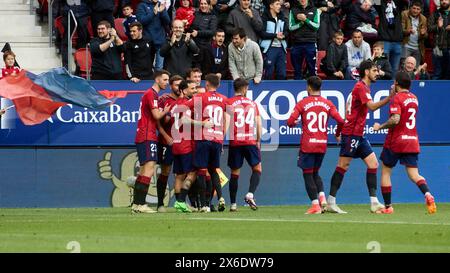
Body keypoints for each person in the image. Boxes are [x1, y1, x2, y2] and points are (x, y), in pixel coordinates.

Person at [327, 60, 393, 214]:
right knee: (343, 165)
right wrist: (390, 98)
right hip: (351, 134)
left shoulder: (362, 88)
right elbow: (371, 107)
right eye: (374, 70)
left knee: (373, 164)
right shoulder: (360, 87)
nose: (377, 73)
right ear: (366, 72)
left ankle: (374, 202)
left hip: (358, 134)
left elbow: (348, 111)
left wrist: (338, 132)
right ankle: (331, 201)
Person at [373, 72, 437, 214]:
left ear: (397, 83)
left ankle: (388, 207)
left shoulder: (397, 98)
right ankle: (427, 194)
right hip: (412, 141)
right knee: (414, 174)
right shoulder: (414, 98)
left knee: (386, 172)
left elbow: (395, 119)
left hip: (396, 141)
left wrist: (380, 126)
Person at [287, 76, 344, 214]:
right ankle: (322, 198)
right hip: (322, 144)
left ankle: (315, 205)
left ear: (309, 87)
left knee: (307, 174)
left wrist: (294, 123)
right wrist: (337, 134)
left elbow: (289, 122)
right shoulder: (328, 103)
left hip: (308, 144)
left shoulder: (302, 103)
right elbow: (341, 121)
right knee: (315, 173)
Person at [185, 73, 228, 212]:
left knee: (202, 171)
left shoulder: (199, 97)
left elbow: (183, 113)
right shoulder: (224, 99)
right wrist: (222, 137)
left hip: (204, 138)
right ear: (219, 85)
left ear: (207, 84)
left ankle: (204, 205)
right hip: (217, 139)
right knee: (214, 170)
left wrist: (200, 122)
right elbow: (228, 119)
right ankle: (221, 198)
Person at [131, 70, 172, 214]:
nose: (167, 82)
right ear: (157, 79)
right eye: (165, 79)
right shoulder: (152, 94)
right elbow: (155, 115)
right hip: (147, 135)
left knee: (144, 170)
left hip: (143, 134)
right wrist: (165, 110)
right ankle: (141, 204)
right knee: (149, 169)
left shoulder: (150, 94)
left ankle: (136, 204)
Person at [226, 78, 262, 211]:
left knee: (235, 173)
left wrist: (221, 139)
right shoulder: (252, 104)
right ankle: (250, 194)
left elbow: (226, 122)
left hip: (235, 141)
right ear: (244, 89)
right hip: (250, 141)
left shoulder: (229, 102)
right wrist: (258, 140)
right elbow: (258, 124)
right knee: (257, 169)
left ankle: (233, 204)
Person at [155, 75, 184, 212]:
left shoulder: (186, 100)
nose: (178, 88)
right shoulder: (164, 99)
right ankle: (160, 203)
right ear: (171, 86)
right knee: (165, 171)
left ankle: (180, 202)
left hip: (182, 142)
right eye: (176, 85)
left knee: (181, 173)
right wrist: (166, 137)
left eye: (180, 85)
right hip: (167, 142)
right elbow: (158, 122)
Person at [172, 80, 201, 213]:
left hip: (176, 144)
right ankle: (181, 201)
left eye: (195, 88)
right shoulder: (186, 105)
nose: (194, 90)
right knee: (193, 172)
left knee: (179, 175)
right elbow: (186, 121)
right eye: (192, 88)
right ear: (184, 90)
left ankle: (180, 205)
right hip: (185, 144)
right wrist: (203, 123)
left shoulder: (175, 104)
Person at [288, 0, 320, 79]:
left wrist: (305, 19)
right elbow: (290, 27)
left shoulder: (315, 10)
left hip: (310, 43)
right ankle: (296, 88)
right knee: (297, 70)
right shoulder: (293, 10)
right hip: (297, 43)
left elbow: (316, 26)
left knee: (312, 70)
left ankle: (313, 88)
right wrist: (301, 23)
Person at [136, 0, 171, 71]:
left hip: (160, 41)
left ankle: (158, 81)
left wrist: (162, 12)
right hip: (147, 42)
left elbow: (167, 21)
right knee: (147, 68)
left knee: (159, 68)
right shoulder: (142, 5)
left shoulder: (160, 5)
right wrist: (153, 13)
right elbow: (141, 21)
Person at [260, 0, 288, 80]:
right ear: (271, 6)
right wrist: (275, 36)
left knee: (282, 74)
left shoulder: (282, 17)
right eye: (277, 4)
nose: (279, 6)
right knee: (268, 73)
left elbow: (287, 31)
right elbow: (262, 33)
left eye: (280, 4)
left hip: (281, 49)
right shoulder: (264, 17)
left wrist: (284, 35)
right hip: (269, 48)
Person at [374, 0, 403, 75]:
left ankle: (393, 86)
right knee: (383, 68)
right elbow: (373, 1)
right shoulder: (381, 4)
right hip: (385, 41)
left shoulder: (397, 4)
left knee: (395, 69)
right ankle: (382, 86)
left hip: (397, 41)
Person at [401, 0, 428, 67]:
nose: (415, 11)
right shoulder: (404, 14)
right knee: (404, 67)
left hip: (417, 48)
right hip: (406, 46)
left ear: (421, 10)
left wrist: (423, 34)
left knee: (415, 68)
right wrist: (408, 31)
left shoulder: (423, 19)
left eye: (418, 9)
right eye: (414, 8)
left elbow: (426, 35)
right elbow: (400, 30)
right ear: (410, 8)